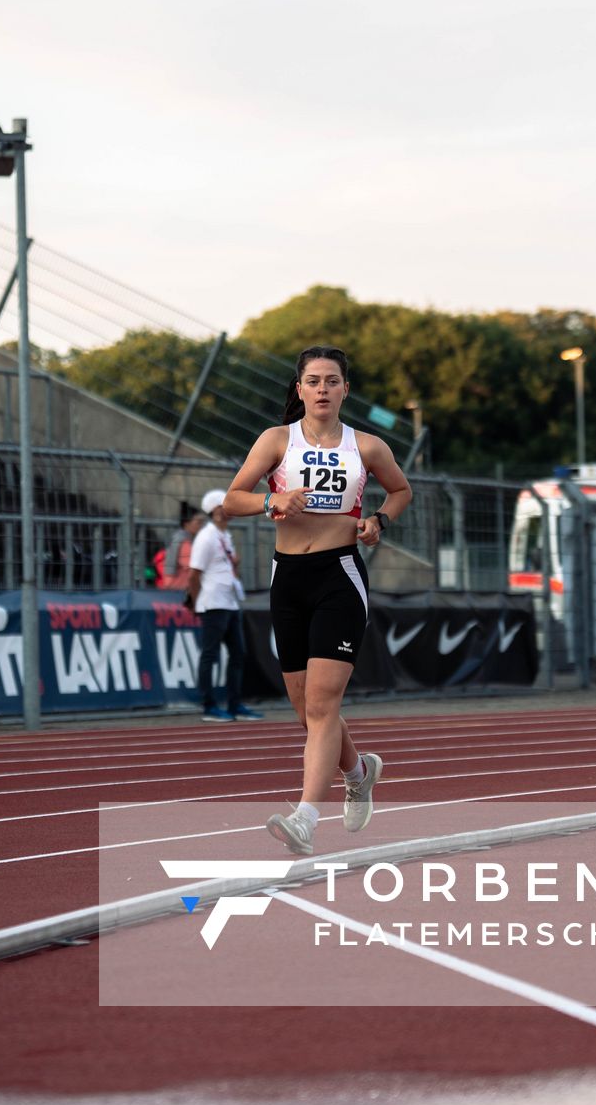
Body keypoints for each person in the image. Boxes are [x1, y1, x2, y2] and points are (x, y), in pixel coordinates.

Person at [222, 345, 412, 853]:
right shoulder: (276, 441)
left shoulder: (366, 447)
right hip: (288, 577)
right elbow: (231, 499)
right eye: (314, 381)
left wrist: (378, 522)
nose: (323, 389)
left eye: (332, 381)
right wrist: (271, 499)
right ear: (300, 388)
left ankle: (305, 817)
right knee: (305, 711)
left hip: (339, 575)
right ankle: (358, 771)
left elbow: (400, 491)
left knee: (325, 704)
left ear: (345, 389)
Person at [188, 488, 264, 722]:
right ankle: (208, 705)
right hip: (213, 603)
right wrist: (194, 603)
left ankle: (234, 704)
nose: (229, 510)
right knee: (209, 654)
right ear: (215, 510)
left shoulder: (224, 536)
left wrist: (236, 566)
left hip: (229, 601)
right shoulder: (206, 536)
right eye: (224, 506)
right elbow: (194, 574)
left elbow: (228, 569)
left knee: (238, 654)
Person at [161, 505, 204, 590]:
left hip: (172, 586)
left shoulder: (178, 537)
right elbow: (194, 567)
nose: (201, 526)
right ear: (186, 524)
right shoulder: (185, 542)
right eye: (198, 522)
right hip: (179, 588)